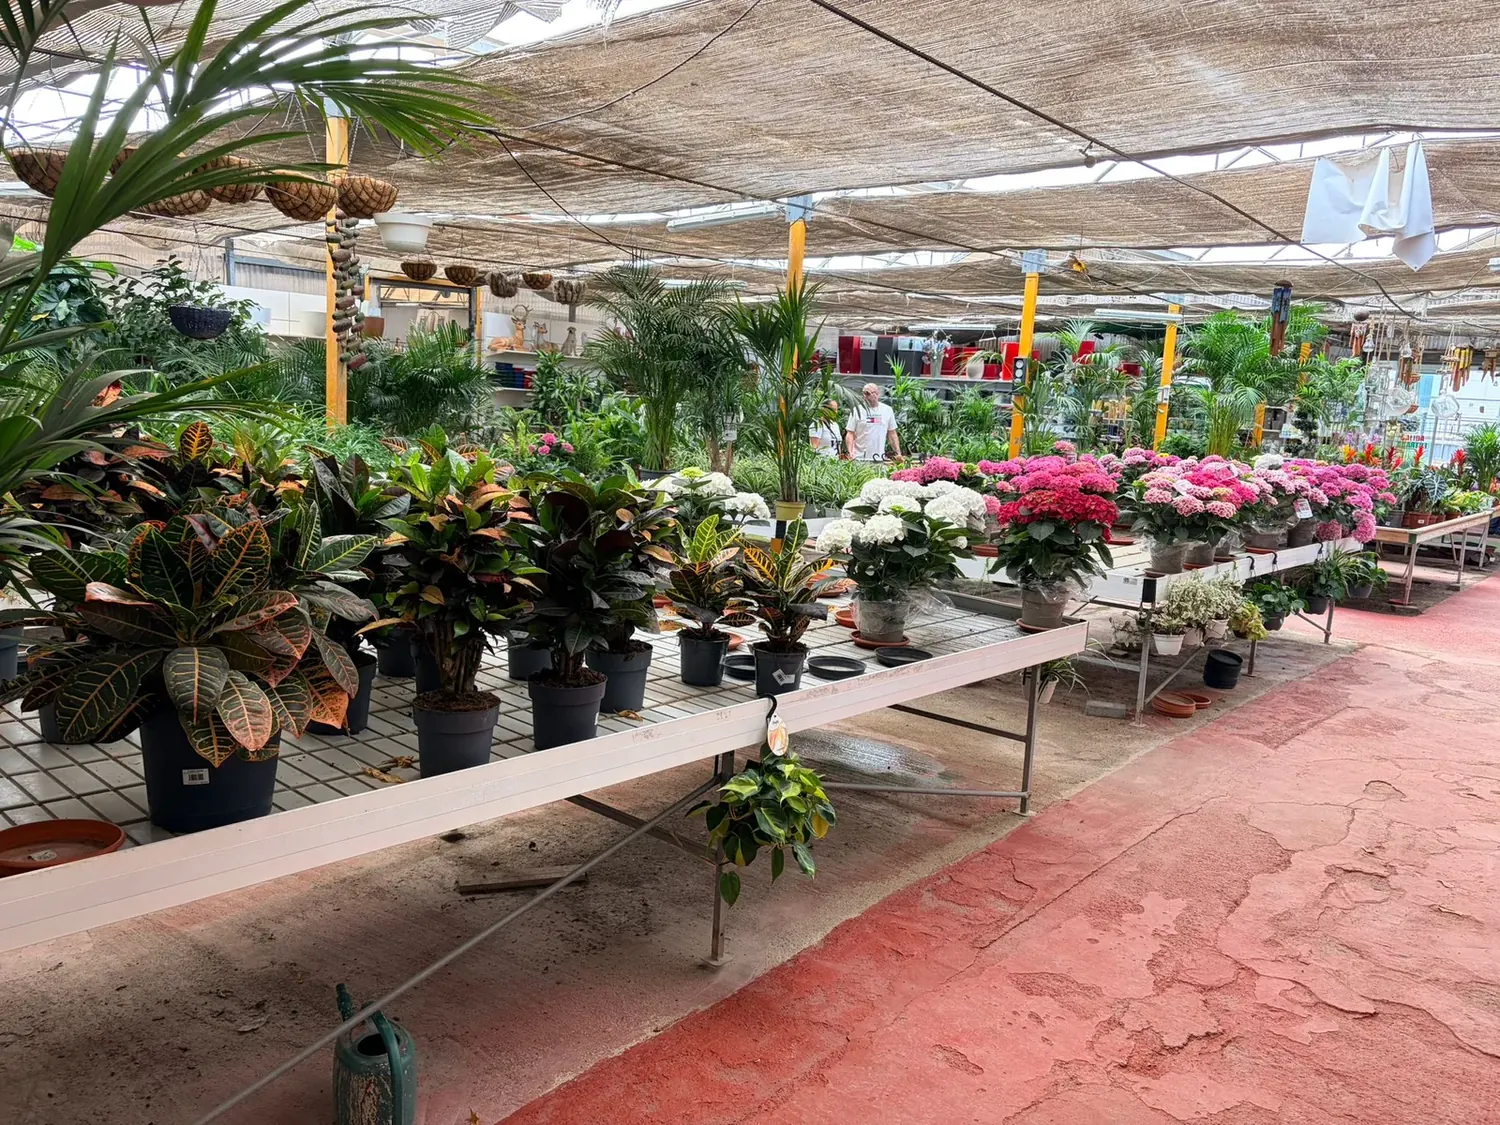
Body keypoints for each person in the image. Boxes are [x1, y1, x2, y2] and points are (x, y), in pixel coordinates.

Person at [845, 383, 900, 461]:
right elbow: (850, 433)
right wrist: (850, 452)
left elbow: (892, 433)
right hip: (860, 457)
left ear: (877, 394)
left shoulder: (887, 410)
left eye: (868, 393)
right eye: (863, 393)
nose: (865, 396)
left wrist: (898, 452)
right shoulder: (856, 410)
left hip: (879, 457)